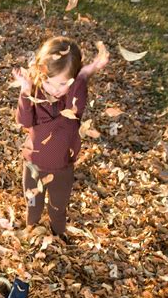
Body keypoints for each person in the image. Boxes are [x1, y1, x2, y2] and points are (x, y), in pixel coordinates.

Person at [13, 36, 109, 240]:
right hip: (33, 166)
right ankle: (32, 230)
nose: (55, 89)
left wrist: (86, 71)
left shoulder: (73, 104)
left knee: (58, 208)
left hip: (62, 169)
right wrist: (25, 89)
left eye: (63, 83)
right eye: (49, 82)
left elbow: (79, 84)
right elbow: (23, 121)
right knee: (33, 204)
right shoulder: (36, 92)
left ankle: (58, 235)